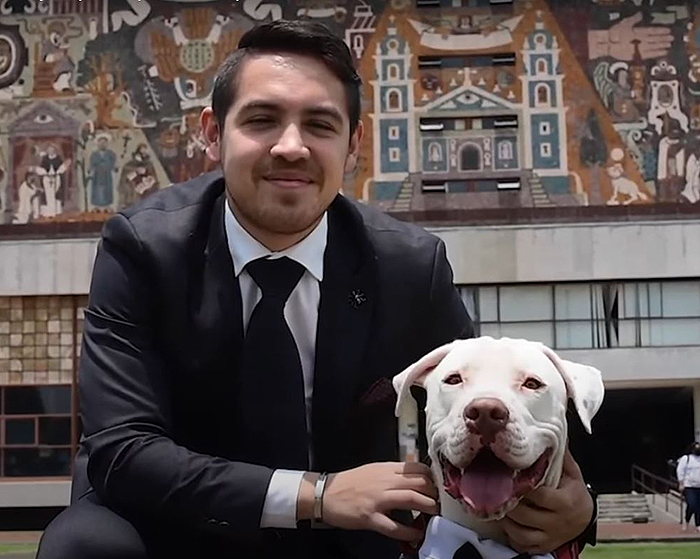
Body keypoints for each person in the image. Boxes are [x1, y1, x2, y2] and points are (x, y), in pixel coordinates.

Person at [37, 20, 595, 559]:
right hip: (172, 521)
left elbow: (476, 414)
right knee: (83, 545)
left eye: (320, 126)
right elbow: (123, 452)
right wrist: (319, 496)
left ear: (353, 146)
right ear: (211, 133)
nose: (291, 147)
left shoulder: (409, 265)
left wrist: (578, 508)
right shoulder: (143, 248)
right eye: (261, 120)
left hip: (351, 535)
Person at [677, 442, 700, 532]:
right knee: (692, 504)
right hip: (689, 485)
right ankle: (686, 520)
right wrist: (681, 483)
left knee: (698, 506)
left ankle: (698, 524)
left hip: (699, 486)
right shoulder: (686, 459)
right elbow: (680, 471)